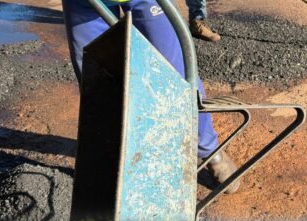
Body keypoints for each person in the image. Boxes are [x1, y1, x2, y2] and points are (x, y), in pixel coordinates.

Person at [61, 0, 240, 193]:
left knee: (178, 73)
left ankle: (209, 151)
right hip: (84, 3)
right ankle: (116, 159)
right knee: (97, 80)